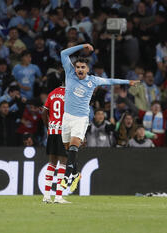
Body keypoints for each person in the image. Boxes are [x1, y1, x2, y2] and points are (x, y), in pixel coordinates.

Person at [59, 43, 139, 192]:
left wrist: (128, 82)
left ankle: (66, 177)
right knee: (68, 150)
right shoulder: (69, 73)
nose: (80, 70)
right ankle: (76, 174)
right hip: (67, 117)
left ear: (88, 69)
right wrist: (82, 46)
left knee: (74, 146)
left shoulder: (93, 80)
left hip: (81, 119)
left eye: (83, 67)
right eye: (78, 67)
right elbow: (64, 53)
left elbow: (111, 81)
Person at [41, 77, 70, 204]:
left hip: (52, 131)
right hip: (63, 131)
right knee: (63, 162)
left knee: (52, 162)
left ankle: (46, 196)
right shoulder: (70, 94)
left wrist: (49, 126)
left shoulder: (53, 93)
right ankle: (58, 196)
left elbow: (43, 112)